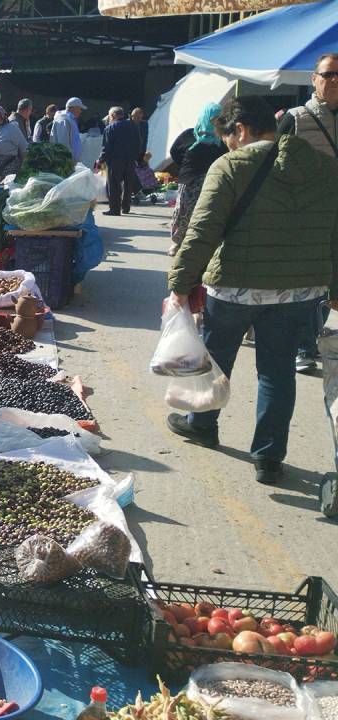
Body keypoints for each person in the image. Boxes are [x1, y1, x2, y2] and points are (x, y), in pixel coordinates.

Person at [166, 96, 338, 486]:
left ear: (240, 130)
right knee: (277, 372)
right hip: (299, 292)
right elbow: (335, 232)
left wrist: (180, 283)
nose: (227, 144)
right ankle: (269, 457)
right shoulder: (324, 167)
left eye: (227, 137)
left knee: (216, 360)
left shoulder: (230, 164)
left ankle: (203, 424)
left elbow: (203, 230)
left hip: (233, 290)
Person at [279, 53, 338, 372]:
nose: (334, 80)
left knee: (330, 284)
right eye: (328, 74)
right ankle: (302, 345)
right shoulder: (296, 117)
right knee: (310, 282)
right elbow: (277, 166)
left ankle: (308, 339)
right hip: (305, 216)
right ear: (313, 79)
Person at [167, 103, 227, 257]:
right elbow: (175, 152)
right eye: (212, 118)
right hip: (190, 180)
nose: (215, 121)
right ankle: (177, 242)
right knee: (184, 212)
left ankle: (200, 245)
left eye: (218, 118)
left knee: (207, 214)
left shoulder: (223, 137)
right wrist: (184, 166)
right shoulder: (189, 135)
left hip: (213, 181)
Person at [98, 106, 143, 216]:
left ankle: (114, 209)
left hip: (115, 161)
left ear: (113, 115)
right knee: (128, 184)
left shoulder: (110, 128)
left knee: (114, 185)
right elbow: (139, 143)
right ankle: (126, 207)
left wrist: (100, 160)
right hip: (130, 160)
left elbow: (106, 148)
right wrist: (137, 158)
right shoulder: (134, 126)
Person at [51, 97, 87, 163]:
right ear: (74, 108)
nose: (80, 111)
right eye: (80, 108)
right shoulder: (63, 120)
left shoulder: (70, 119)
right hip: (65, 162)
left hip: (71, 161)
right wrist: (69, 159)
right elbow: (63, 143)